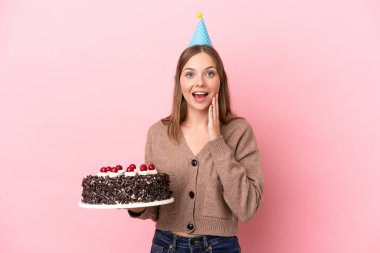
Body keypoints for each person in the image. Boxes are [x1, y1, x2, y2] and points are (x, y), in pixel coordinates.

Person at [128, 15, 264, 253]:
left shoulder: (239, 131)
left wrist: (217, 143)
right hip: (165, 245)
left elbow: (247, 208)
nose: (199, 82)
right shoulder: (157, 133)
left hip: (219, 247)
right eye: (190, 74)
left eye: (209, 73)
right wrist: (137, 206)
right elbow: (154, 208)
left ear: (220, 80)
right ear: (179, 81)